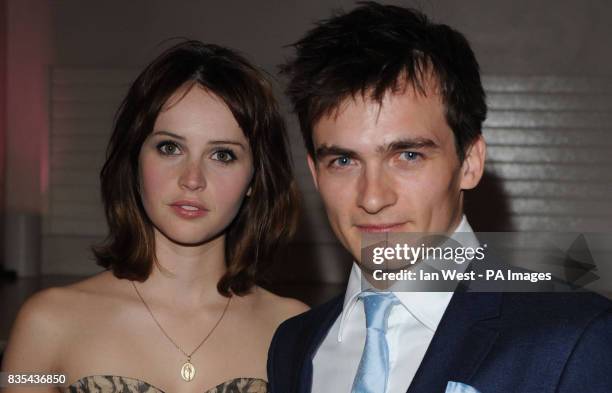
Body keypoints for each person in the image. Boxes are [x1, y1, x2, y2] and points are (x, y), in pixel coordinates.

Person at [267, 2, 612, 393]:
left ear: (469, 162)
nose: (373, 198)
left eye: (408, 155)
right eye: (344, 160)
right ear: (314, 173)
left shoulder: (573, 337)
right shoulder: (293, 346)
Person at [2, 40, 308, 393]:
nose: (192, 179)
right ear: (135, 159)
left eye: (222, 155)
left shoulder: (293, 329)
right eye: (169, 147)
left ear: (255, 177)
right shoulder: (47, 323)